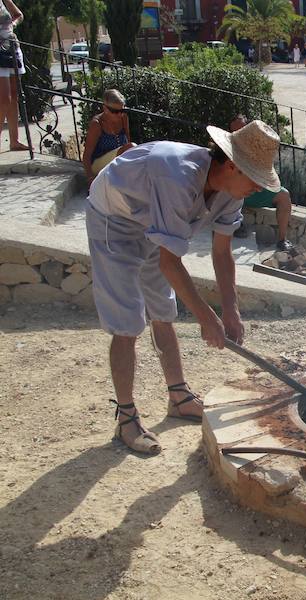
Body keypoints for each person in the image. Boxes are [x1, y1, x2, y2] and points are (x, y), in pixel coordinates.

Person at [86, 120, 280, 454]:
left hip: (150, 221)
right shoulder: (176, 176)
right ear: (233, 165)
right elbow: (169, 262)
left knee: (163, 310)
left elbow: (222, 253)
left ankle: (178, 396)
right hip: (113, 219)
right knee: (128, 321)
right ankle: (127, 418)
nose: (258, 189)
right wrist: (206, 317)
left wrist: (230, 310)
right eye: (256, 179)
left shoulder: (232, 191)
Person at [228, 115, 294, 251]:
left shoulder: (258, 146)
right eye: (235, 130)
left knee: (284, 195)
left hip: (257, 188)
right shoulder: (228, 146)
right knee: (228, 188)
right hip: (238, 189)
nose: (238, 132)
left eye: (242, 129)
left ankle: (282, 240)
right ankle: (233, 225)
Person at [82, 90, 137, 181]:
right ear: (105, 108)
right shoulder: (97, 124)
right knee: (131, 147)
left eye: (121, 110)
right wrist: (90, 178)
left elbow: (127, 141)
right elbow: (87, 154)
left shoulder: (124, 117)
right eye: (114, 111)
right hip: (99, 164)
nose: (119, 114)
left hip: (118, 162)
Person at [0, 0, 29, 152]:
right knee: (4, 99)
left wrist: (13, 24)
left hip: (11, 47)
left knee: (14, 95)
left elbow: (18, 15)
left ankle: (14, 141)